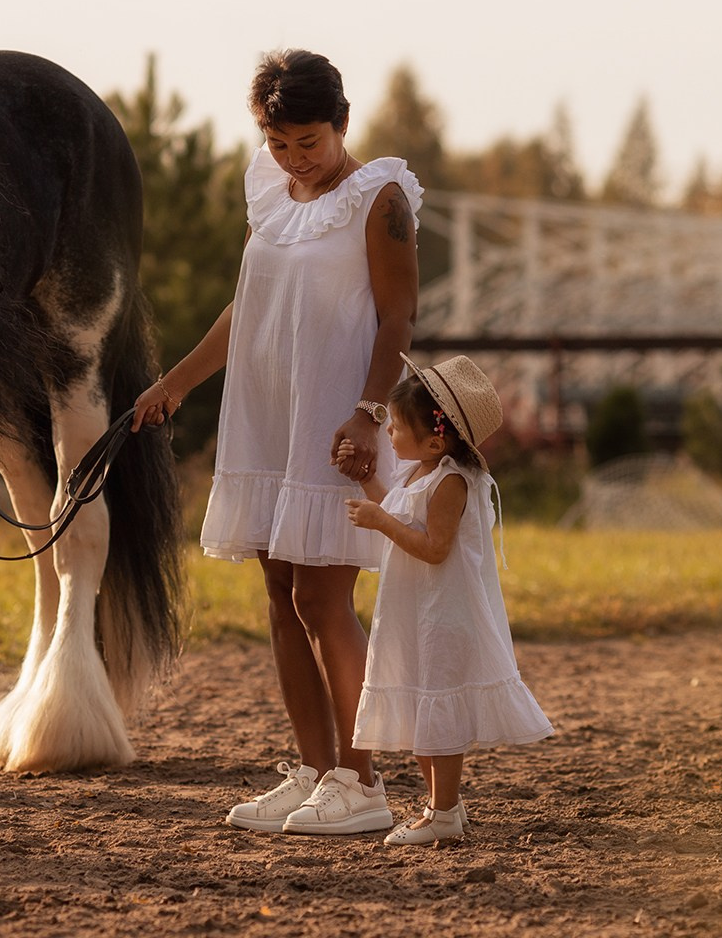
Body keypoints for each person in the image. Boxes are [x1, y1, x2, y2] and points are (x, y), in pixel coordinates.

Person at [132, 48, 422, 835]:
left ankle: (361, 786)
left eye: (309, 142)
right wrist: (178, 381)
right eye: (279, 142)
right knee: (279, 594)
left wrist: (367, 412)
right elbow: (245, 309)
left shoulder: (379, 196)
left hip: (334, 417)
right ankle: (315, 770)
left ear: (342, 123)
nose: (295, 158)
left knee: (321, 597)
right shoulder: (270, 192)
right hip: (265, 414)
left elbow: (397, 316)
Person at [341, 353, 553, 846]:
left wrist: (380, 523)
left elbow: (435, 549)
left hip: (443, 614)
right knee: (422, 709)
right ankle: (444, 809)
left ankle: (443, 810)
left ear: (436, 440)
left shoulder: (451, 481)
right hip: (416, 612)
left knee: (439, 710)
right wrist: (363, 480)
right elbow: (394, 507)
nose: (389, 435)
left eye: (395, 428)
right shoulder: (421, 474)